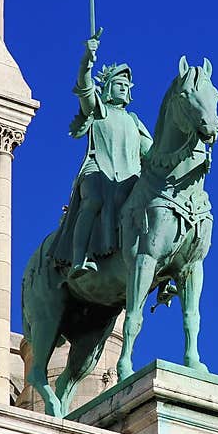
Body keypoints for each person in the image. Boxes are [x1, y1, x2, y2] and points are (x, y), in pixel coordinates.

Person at [53, 37, 153, 277]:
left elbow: (152, 153)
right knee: (94, 200)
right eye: (119, 84)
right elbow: (85, 88)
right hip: (98, 168)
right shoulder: (100, 111)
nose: (124, 89)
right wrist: (87, 61)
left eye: (127, 86)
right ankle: (78, 258)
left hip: (127, 177)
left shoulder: (134, 121)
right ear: (108, 87)